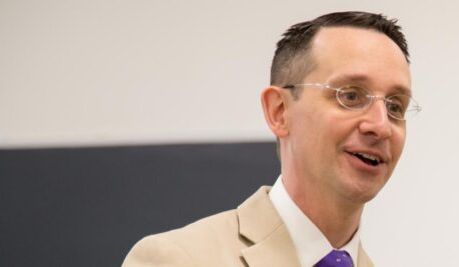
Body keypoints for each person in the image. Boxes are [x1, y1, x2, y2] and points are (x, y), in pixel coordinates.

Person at [123, 11, 418, 267]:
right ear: (279, 112)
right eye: (350, 96)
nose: (381, 126)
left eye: (395, 106)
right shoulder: (177, 260)